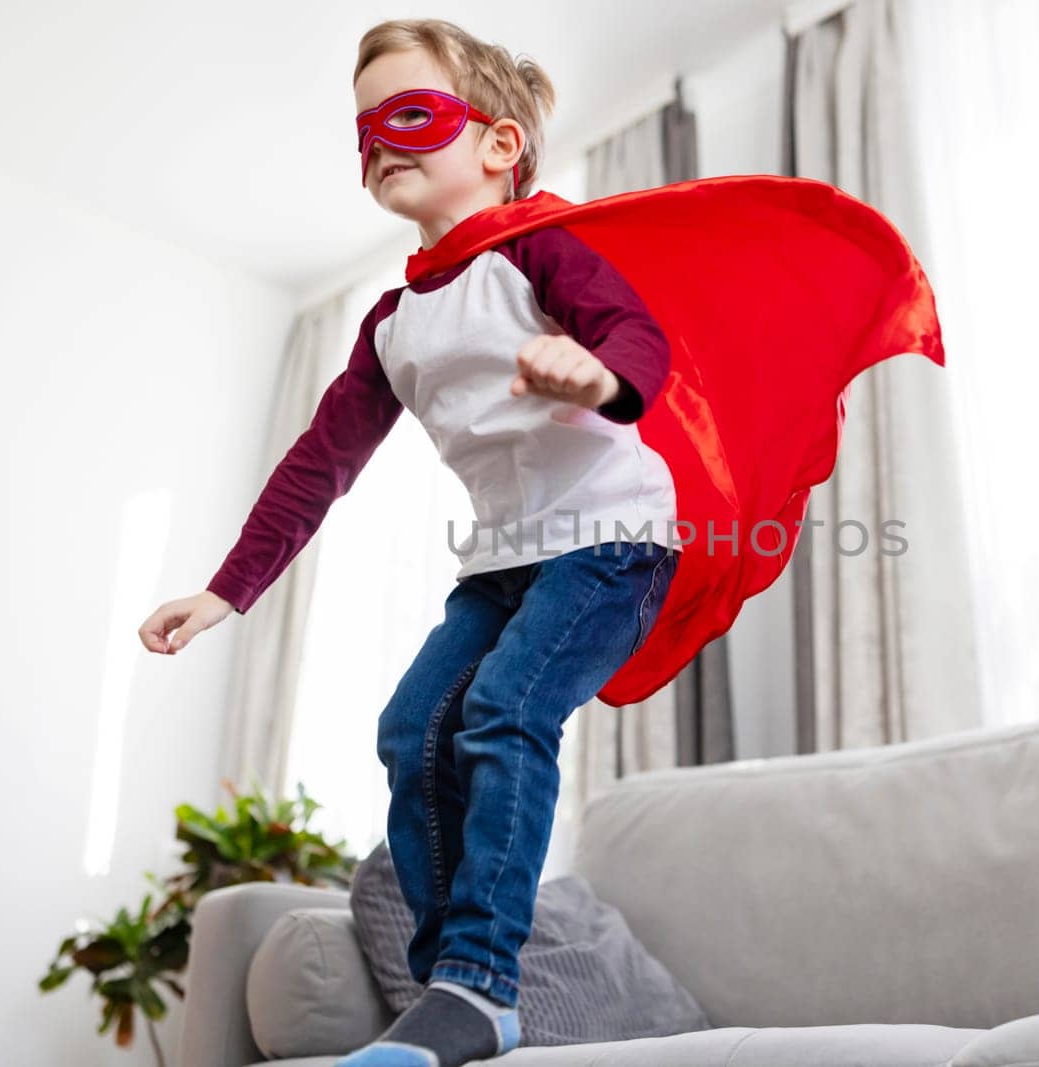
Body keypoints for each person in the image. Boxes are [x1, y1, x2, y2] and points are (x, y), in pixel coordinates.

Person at [139, 17, 684, 1066]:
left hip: (613, 538)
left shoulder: (541, 245)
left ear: (497, 145)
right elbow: (318, 465)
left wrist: (599, 376)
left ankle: (478, 980)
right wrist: (224, 591)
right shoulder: (392, 321)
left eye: (410, 115)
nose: (380, 142)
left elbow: (636, 334)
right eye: (364, 131)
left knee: (504, 707)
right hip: (502, 558)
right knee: (410, 730)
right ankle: (457, 990)